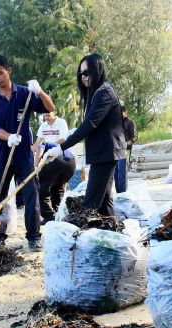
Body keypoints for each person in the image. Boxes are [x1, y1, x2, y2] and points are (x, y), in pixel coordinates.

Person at [0, 54, 56, 250]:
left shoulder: (26, 94)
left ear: (9, 70)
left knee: (32, 194)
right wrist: (9, 137)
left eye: (0, 73)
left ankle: (33, 236)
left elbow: (51, 108)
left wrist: (40, 91)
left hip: (23, 154)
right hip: (1, 155)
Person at [43, 53, 125, 217]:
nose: (83, 77)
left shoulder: (105, 93)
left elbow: (89, 125)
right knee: (104, 202)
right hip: (103, 154)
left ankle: (80, 238)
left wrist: (61, 148)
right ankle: (116, 237)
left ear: (98, 70)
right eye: (80, 74)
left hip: (106, 154)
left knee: (90, 205)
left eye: (86, 73)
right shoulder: (98, 93)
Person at [35, 141, 76, 224]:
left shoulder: (43, 144)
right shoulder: (57, 146)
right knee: (57, 188)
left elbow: (39, 153)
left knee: (42, 189)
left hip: (56, 160)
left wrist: (36, 166)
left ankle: (49, 216)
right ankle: (59, 213)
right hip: (71, 163)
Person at [113, 105, 137, 193]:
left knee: (122, 172)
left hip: (126, 150)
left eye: (121, 112)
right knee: (115, 173)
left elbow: (134, 137)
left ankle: (123, 193)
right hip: (116, 150)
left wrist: (127, 143)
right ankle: (118, 192)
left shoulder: (130, 122)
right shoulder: (116, 123)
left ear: (125, 112)